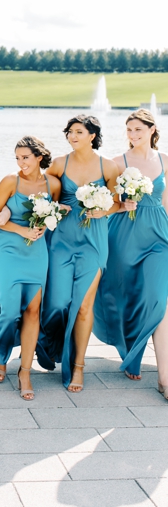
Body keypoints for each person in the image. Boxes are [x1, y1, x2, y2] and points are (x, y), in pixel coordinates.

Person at [38, 115, 121, 392]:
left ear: (92, 135)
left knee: (85, 306)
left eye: (78, 132)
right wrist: (52, 207)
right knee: (58, 302)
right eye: (69, 132)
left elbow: (118, 203)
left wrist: (103, 209)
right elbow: (42, 195)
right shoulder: (60, 163)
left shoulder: (108, 167)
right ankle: (50, 343)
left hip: (94, 243)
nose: (72, 136)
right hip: (61, 240)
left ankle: (78, 366)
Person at [94, 110, 168, 390]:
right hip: (125, 235)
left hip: (159, 236)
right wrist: (121, 204)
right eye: (129, 130)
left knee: (158, 300)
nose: (133, 135)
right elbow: (105, 202)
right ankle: (131, 353)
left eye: (138, 129)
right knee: (126, 294)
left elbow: (167, 202)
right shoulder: (116, 163)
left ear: (151, 129)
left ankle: (164, 378)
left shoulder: (165, 161)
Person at [0, 137, 59, 400]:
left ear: (39, 157)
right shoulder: (10, 182)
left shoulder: (53, 184)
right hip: (7, 251)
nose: (20, 163)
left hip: (37, 253)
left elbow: (53, 215)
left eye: (25, 157)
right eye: (17, 158)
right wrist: (21, 228)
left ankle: (25, 371)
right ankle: (1, 354)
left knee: (33, 311)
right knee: (10, 310)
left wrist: (55, 215)